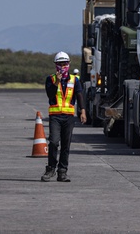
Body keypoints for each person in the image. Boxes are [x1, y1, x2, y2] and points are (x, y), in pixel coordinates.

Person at [42, 52, 87, 183]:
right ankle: (50, 169)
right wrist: (56, 82)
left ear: (69, 64)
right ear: (55, 65)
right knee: (54, 142)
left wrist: (83, 111)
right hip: (55, 116)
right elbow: (50, 95)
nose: (62, 67)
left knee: (66, 145)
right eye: (60, 64)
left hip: (68, 117)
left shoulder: (74, 80)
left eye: (65, 64)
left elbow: (79, 95)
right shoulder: (50, 79)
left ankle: (62, 172)